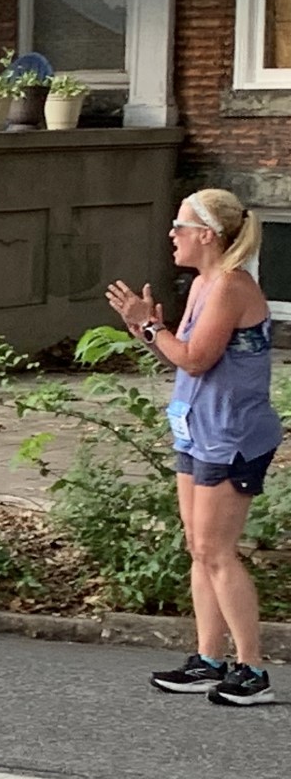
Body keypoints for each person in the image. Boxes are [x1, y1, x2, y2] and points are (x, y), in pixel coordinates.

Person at [109, 190, 278, 707]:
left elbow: (198, 360)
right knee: (198, 549)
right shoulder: (204, 283)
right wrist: (146, 329)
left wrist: (153, 325)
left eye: (180, 225)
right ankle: (209, 660)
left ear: (206, 234)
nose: (172, 234)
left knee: (217, 552)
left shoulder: (229, 285)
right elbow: (181, 357)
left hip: (232, 436)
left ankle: (251, 670)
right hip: (197, 428)